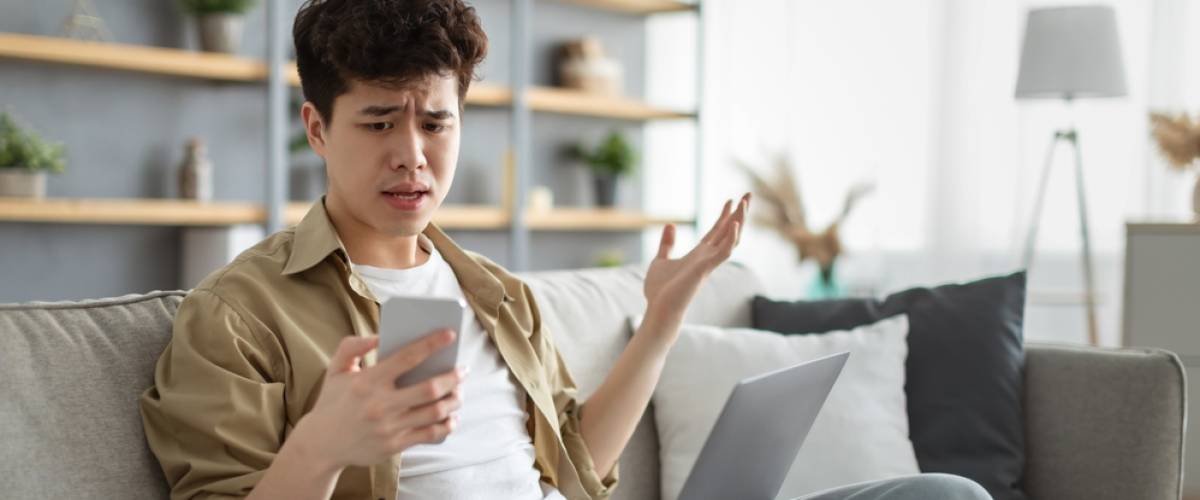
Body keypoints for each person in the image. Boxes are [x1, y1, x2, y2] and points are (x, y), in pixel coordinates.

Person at [138, 1, 991, 499]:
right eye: (377, 123)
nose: (412, 155)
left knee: (944, 495)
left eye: (436, 123)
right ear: (317, 129)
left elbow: (575, 466)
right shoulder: (239, 313)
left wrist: (659, 320)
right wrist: (321, 447)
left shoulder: (496, 294)